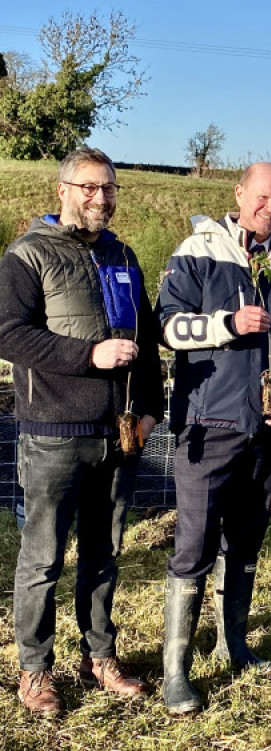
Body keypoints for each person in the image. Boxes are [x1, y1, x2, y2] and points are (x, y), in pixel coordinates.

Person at [0, 147, 163, 715]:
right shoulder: (28, 254)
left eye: (110, 188)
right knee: (42, 560)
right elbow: (9, 334)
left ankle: (99, 657)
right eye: (90, 187)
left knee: (104, 553)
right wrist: (89, 354)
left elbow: (146, 337)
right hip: (53, 433)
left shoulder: (123, 254)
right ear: (63, 190)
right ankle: (35, 669)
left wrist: (149, 408)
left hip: (117, 435)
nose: (101, 198)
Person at [156, 162, 271, 714]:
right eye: (262, 198)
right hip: (208, 423)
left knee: (245, 540)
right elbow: (168, 326)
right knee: (194, 544)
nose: (269, 209)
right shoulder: (199, 248)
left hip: (265, 427)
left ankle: (234, 644)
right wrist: (226, 325)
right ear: (240, 193)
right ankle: (175, 670)